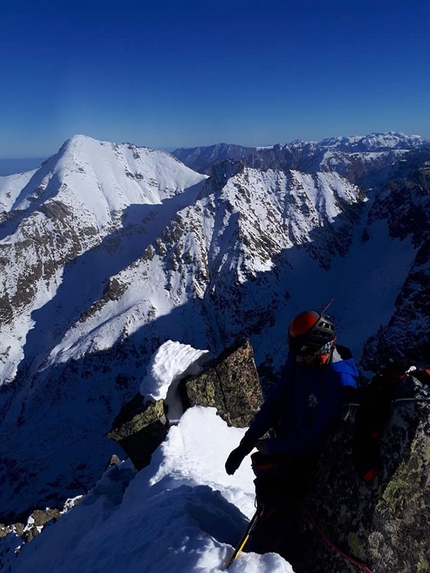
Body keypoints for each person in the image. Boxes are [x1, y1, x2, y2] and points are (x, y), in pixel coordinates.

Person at [225, 309, 358, 560]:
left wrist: (273, 448)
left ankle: (272, 554)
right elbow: (277, 398)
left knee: (282, 505)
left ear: (323, 348)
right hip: (291, 444)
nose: (296, 360)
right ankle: (266, 542)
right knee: (268, 483)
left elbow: (316, 438)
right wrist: (247, 442)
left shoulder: (340, 383)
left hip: (313, 460)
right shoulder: (302, 356)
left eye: (303, 355)